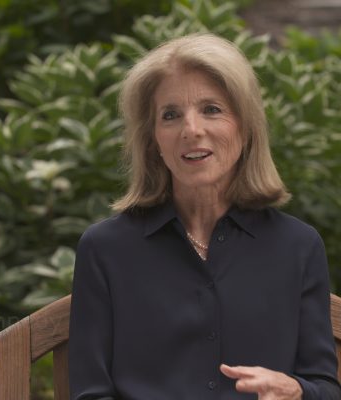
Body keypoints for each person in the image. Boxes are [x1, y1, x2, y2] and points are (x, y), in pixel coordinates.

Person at [68, 33, 341, 399]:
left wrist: (295, 391)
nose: (191, 130)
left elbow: (324, 388)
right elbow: (90, 393)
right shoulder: (105, 249)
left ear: (245, 128)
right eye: (171, 115)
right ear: (153, 141)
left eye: (212, 109)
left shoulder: (298, 246)